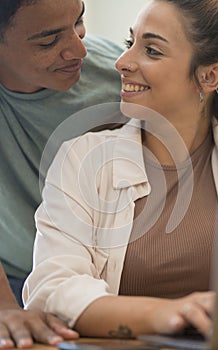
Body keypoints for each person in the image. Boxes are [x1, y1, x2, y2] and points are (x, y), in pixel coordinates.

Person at [23, 0, 218, 340]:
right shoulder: (83, 159)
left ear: (210, 76)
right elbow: (51, 292)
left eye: (151, 50)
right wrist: (169, 314)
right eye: (129, 43)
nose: (122, 62)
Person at [0, 0, 123, 346]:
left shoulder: (117, 71)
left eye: (79, 21)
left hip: (110, 272)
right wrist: (5, 308)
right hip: (16, 283)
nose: (78, 48)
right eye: (48, 41)